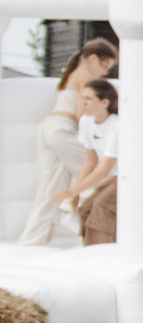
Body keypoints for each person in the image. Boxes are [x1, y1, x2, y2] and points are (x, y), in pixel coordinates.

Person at [18, 40, 114, 245]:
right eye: (105, 66)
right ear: (93, 59)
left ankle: (31, 242)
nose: (105, 73)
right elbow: (82, 114)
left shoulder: (71, 75)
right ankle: (70, 208)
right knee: (101, 173)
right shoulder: (87, 76)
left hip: (48, 128)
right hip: (61, 129)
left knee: (49, 188)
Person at [66, 76, 120, 246]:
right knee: (85, 209)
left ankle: (104, 256)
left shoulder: (117, 126)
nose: (82, 103)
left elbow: (103, 170)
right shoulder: (86, 122)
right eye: (81, 98)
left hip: (129, 177)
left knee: (102, 206)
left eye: (88, 99)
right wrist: (75, 193)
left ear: (105, 102)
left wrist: (73, 191)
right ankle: (89, 253)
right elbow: (90, 160)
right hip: (115, 178)